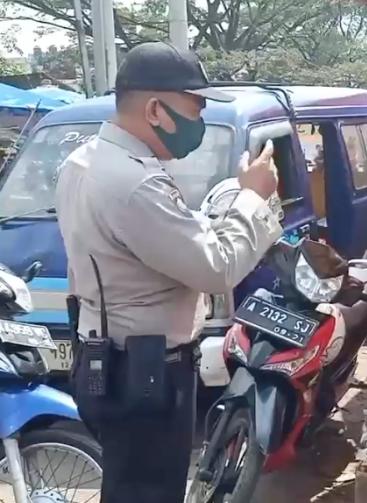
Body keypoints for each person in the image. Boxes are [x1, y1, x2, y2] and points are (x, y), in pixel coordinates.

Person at [55, 42, 283, 503]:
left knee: (129, 485)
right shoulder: (135, 182)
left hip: (105, 355)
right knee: (149, 491)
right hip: (146, 370)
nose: (198, 121)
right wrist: (253, 197)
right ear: (156, 109)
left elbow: (158, 243)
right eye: (195, 108)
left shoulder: (82, 164)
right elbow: (216, 269)